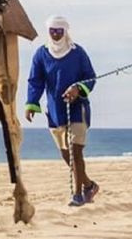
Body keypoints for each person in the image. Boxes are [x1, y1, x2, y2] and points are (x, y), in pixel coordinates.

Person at [25, 16, 99, 207]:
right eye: (52, 31)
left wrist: (78, 88)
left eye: (59, 31)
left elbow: (90, 77)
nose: (56, 35)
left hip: (78, 109)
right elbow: (35, 80)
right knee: (66, 154)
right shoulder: (41, 54)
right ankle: (89, 186)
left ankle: (77, 194)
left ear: (65, 31)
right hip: (55, 110)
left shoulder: (78, 53)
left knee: (75, 151)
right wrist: (31, 103)